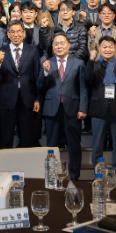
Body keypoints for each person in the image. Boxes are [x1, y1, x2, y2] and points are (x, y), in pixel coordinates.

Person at [38, 32, 88, 181]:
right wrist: (45, 72)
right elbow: (39, 85)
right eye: (56, 44)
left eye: (62, 43)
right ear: (52, 47)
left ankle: (74, 176)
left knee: (74, 144)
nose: (59, 46)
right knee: (51, 145)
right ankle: (51, 176)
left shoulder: (78, 63)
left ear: (68, 45)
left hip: (72, 108)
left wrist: (83, 108)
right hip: (51, 109)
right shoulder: (47, 62)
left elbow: (83, 88)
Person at [86, 36, 116, 187]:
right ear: (99, 49)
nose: (108, 49)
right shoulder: (94, 65)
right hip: (98, 110)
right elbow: (87, 77)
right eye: (104, 47)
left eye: (110, 46)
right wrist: (91, 59)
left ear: (115, 48)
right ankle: (98, 175)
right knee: (97, 145)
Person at [0, 21, 41, 149]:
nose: (16, 34)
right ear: (8, 34)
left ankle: (25, 162)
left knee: (26, 137)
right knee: (6, 137)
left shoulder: (32, 50)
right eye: (12, 32)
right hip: (7, 99)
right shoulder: (0, 51)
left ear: (24, 33)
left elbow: (36, 76)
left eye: (19, 31)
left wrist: (37, 98)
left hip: (27, 98)